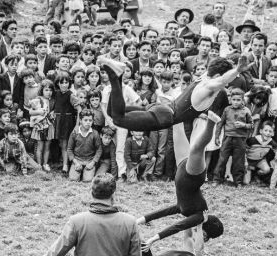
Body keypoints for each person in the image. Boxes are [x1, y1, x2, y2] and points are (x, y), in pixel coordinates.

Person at [101, 55, 246, 244]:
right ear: (219, 75)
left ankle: (117, 75)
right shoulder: (208, 87)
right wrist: (236, 71)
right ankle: (117, 75)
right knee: (119, 120)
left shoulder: (202, 78)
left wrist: (141, 221)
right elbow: (218, 82)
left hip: (161, 108)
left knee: (114, 114)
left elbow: (216, 78)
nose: (224, 88)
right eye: (224, 82)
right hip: (165, 117)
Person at [33, 173, 142, 256]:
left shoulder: (77, 221)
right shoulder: (130, 222)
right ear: (114, 194)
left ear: (91, 193)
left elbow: (56, 252)